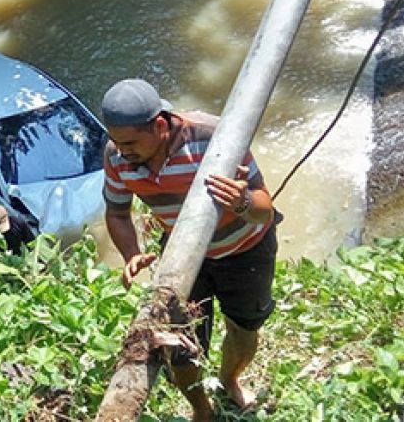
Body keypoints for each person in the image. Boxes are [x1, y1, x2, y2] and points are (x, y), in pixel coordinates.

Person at [99, 78, 279, 420]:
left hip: (245, 249)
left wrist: (241, 200)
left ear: (161, 125)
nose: (124, 151)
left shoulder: (215, 138)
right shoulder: (116, 155)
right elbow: (117, 212)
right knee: (177, 343)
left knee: (243, 325)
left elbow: (263, 208)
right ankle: (201, 409)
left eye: (132, 142)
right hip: (183, 256)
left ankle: (231, 381)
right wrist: (131, 254)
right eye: (116, 142)